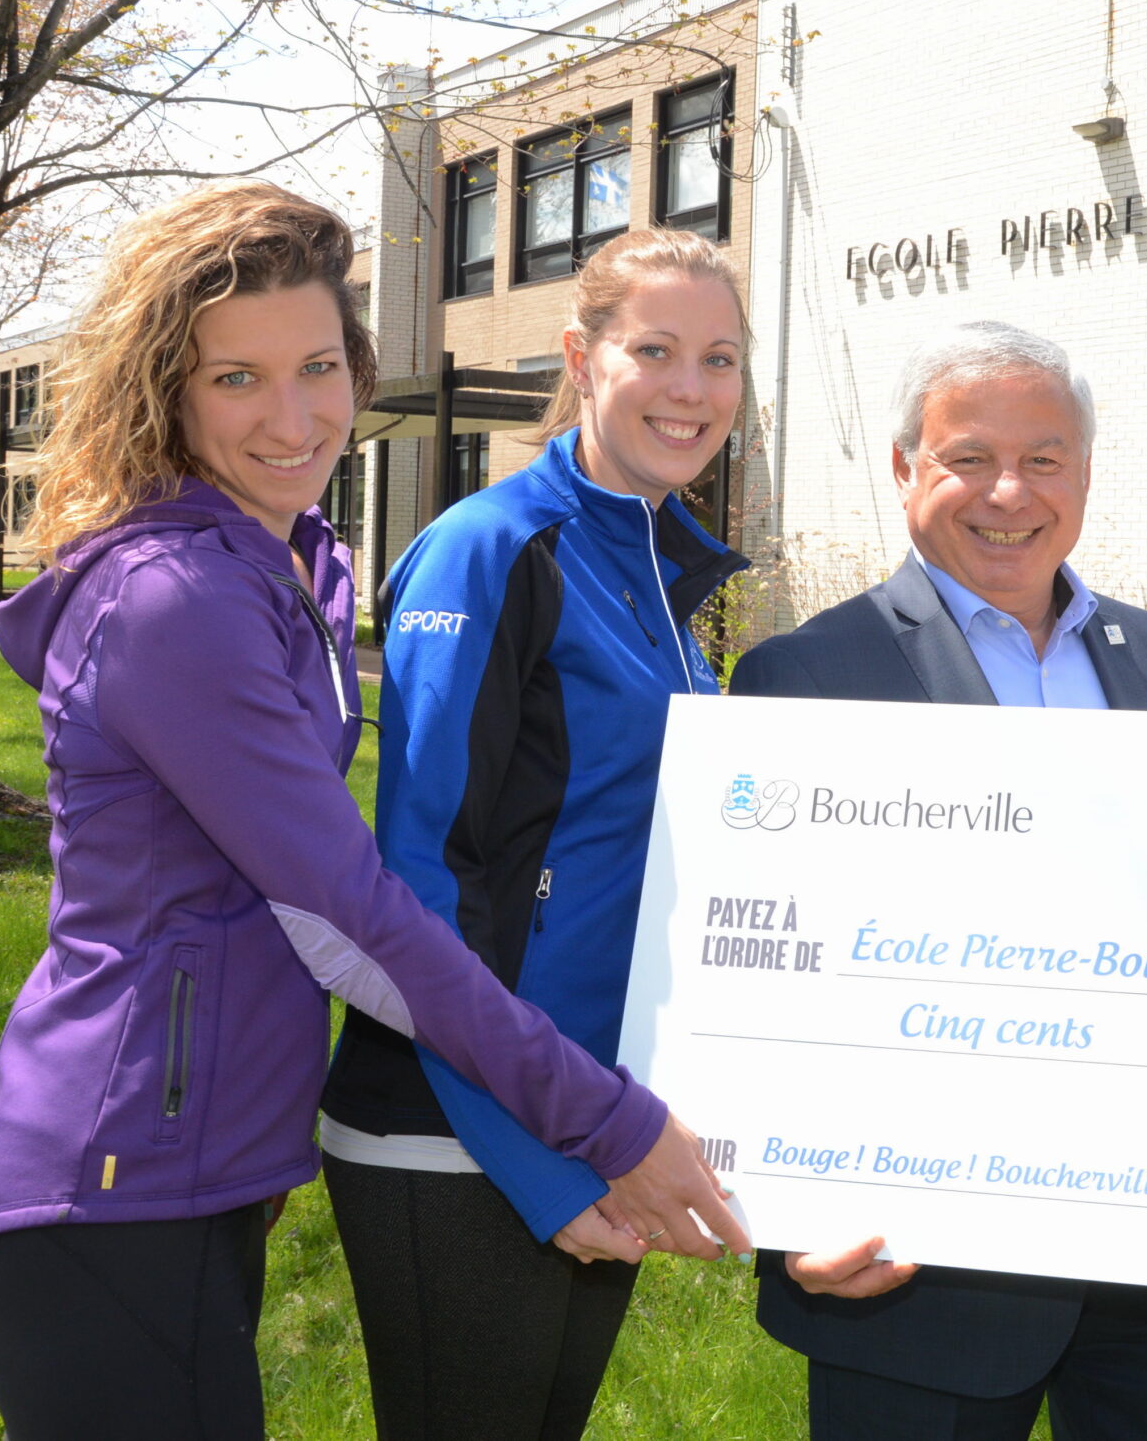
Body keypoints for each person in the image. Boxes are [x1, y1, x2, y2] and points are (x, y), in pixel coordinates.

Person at [0, 185, 741, 1441]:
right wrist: (606, 1121)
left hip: (191, 1168)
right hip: (102, 1175)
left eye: (318, 367)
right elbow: (355, 912)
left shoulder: (281, 564)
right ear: (170, 390)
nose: (294, 415)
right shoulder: (177, 599)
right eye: (238, 379)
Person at [729, 320, 1147, 1441]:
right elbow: (754, 974)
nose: (1010, 491)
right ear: (906, 469)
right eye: (968, 458)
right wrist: (783, 1212)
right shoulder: (802, 677)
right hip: (912, 1271)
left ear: (1085, 475)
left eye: (1045, 459)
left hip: (1142, 1262)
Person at [317, 225, 753, 1440]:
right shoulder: (493, 548)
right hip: (465, 1129)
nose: (691, 388)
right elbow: (417, 876)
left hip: (590, 1105)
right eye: (655, 349)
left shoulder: (656, 568)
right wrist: (541, 1158)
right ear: (583, 353)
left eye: (719, 358)